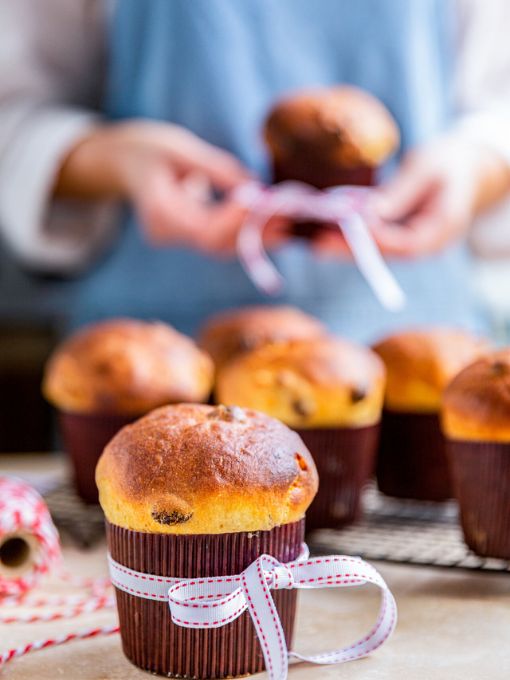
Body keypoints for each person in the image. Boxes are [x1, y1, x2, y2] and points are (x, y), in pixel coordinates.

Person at [1, 0, 510, 339]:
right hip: (158, 339)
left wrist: (471, 168)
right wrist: (115, 159)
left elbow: (497, 106)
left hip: (417, 330)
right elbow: (13, 117)